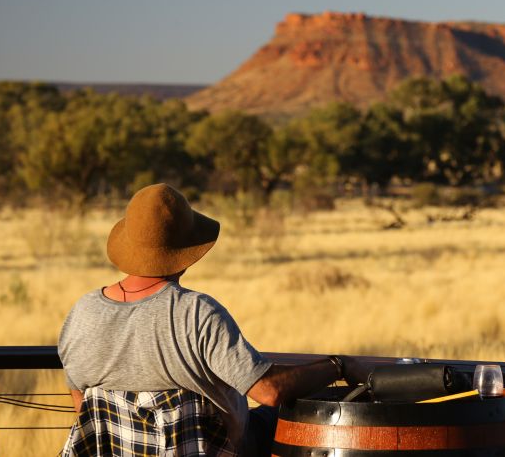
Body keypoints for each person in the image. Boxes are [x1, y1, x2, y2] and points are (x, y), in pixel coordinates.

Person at [58, 183, 368, 456]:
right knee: (300, 412)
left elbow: (82, 410)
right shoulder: (196, 313)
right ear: (186, 252)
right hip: (224, 449)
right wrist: (338, 366)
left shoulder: (81, 314)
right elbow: (268, 391)